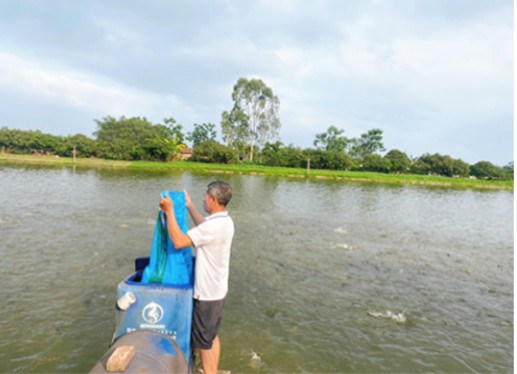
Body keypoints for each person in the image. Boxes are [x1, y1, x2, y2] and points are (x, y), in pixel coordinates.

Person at [159, 180, 234, 374]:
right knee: (211, 336)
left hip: (207, 294)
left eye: (205, 197)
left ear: (213, 200)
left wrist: (169, 211)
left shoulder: (212, 228)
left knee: (203, 343)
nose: (204, 199)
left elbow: (178, 241)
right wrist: (189, 205)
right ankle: (214, 371)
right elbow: (203, 227)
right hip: (218, 290)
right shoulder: (225, 221)